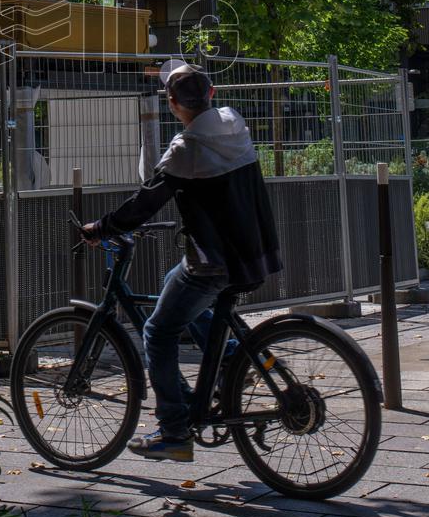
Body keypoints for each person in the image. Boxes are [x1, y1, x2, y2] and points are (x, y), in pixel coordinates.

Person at [81, 63, 282, 463]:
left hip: (213, 261)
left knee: (156, 332)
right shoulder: (233, 123)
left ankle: (173, 430)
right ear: (212, 94)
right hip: (252, 251)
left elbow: (146, 201)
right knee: (172, 287)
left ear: (172, 104)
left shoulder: (187, 149)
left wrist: (101, 227)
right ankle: (229, 357)